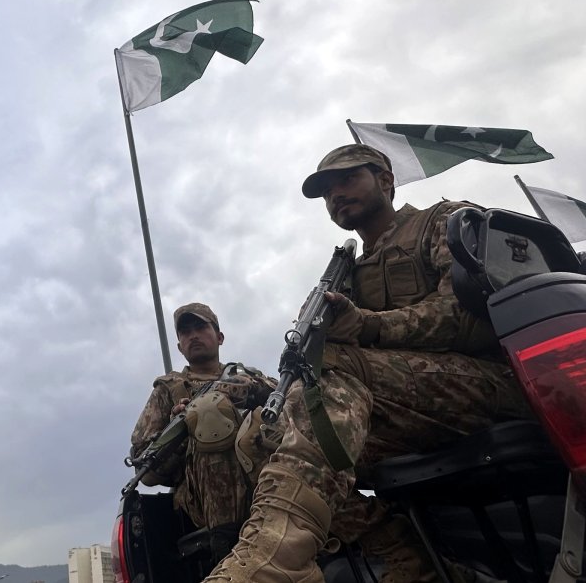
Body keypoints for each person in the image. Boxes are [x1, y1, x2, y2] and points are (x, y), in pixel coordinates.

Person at [203, 144, 530, 583]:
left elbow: (468, 314)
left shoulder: (443, 220)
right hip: (393, 405)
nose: (335, 195)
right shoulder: (345, 274)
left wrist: (368, 326)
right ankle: (406, 556)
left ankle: (274, 565)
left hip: (487, 384)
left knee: (334, 369)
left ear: (387, 180)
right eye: (326, 191)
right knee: (259, 435)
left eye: (347, 179)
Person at [130, 303, 279, 544]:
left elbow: (288, 399)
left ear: (220, 337)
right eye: (186, 332)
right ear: (179, 346)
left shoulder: (249, 376)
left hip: (268, 480)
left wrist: (254, 391)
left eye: (200, 327)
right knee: (207, 412)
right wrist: (179, 430)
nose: (194, 335)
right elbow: (145, 470)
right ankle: (231, 547)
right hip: (208, 506)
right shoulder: (169, 390)